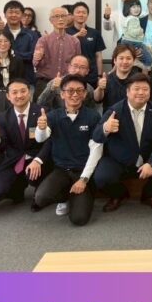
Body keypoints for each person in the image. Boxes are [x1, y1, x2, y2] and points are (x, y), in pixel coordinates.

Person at [93, 73, 152, 211]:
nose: (141, 92)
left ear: (150, 92)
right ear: (128, 92)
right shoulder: (115, 111)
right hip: (120, 160)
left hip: (147, 158)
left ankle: (149, 195)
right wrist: (106, 128)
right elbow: (96, 137)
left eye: (145, 89)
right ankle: (119, 195)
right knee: (101, 177)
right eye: (136, 89)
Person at [34, 75, 103, 226]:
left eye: (79, 90)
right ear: (62, 94)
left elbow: (96, 150)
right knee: (41, 197)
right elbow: (41, 138)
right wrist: (41, 128)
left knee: (79, 219)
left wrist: (83, 179)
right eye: (70, 91)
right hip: (61, 170)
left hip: (83, 171)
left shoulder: (93, 116)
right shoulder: (53, 116)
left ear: (85, 94)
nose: (75, 94)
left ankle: (81, 196)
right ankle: (65, 197)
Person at [0, 79, 47, 204]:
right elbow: (0, 148)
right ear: (8, 96)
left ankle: (39, 186)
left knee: (38, 188)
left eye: (23, 91)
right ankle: (18, 187)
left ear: (29, 93)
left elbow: (49, 142)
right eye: (14, 92)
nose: (19, 95)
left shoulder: (42, 112)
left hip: (36, 158)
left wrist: (38, 159)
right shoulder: (3, 117)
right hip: (14, 159)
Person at [33, 6, 82, 100]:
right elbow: (35, 64)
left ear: (67, 19)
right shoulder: (43, 40)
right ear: (51, 20)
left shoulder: (75, 41)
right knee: (40, 107)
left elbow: (77, 66)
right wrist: (38, 58)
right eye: (57, 16)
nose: (60, 19)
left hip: (66, 84)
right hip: (45, 82)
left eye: (63, 16)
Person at [67, 1, 106, 88]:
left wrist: (99, 75)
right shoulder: (66, 32)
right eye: (78, 12)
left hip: (91, 76)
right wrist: (77, 35)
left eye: (84, 12)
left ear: (87, 15)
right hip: (72, 75)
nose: (81, 15)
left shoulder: (95, 33)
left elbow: (98, 56)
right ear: (72, 15)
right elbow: (64, 50)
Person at [98, 44, 142, 111]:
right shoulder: (107, 79)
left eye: (128, 58)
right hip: (110, 116)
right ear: (115, 60)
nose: (125, 62)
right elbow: (97, 99)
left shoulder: (139, 80)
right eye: (121, 58)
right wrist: (100, 88)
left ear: (134, 61)